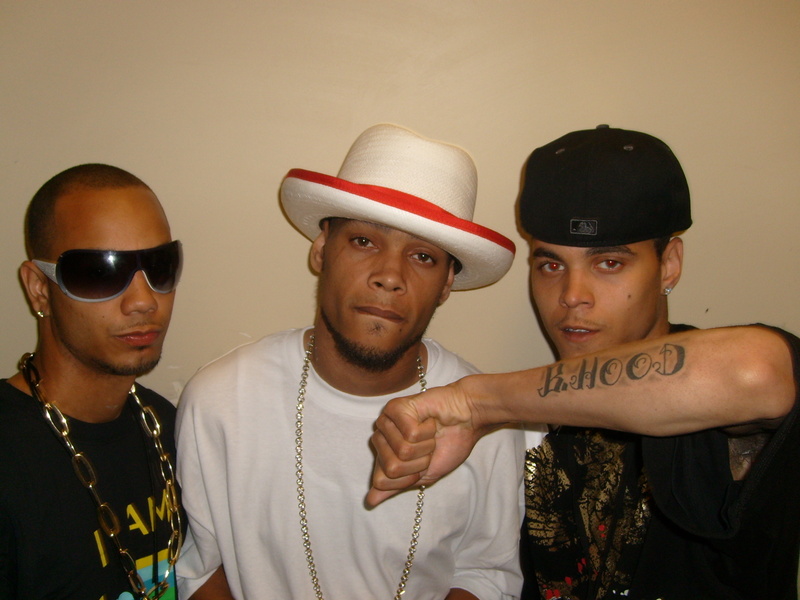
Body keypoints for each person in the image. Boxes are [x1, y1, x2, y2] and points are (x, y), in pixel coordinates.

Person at [368, 126, 800, 600]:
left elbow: (756, 372)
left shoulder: (715, 402)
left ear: (669, 264)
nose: (572, 296)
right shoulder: (535, 427)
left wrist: (476, 403)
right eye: (551, 265)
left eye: (609, 263)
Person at [175, 123, 528, 600]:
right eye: (364, 241)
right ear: (322, 249)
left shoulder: (484, 417)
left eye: (423, 256)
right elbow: (202, 568)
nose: (389, 276)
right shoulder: (221, 400)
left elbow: (486, 576)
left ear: (447, 283)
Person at [0, 164, 185, 600]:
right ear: (39, 288)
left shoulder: (171, 425)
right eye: (100, 272)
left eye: (160, 266)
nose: (143, 301)